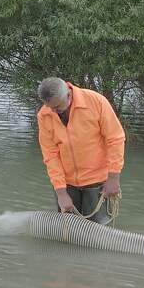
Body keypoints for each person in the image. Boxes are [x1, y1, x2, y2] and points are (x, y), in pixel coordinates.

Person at [36, 77, 125, 224]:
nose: (53, 111)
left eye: (57, 107)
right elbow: (50, 156)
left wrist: (113, 178)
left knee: (97, 231)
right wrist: (61, 193)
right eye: (49, 107)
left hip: (97, 182)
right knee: (68, 229)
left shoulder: (96, 101)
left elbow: (115, 139)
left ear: (68, 95)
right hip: (67, 183)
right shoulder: (45, 114)